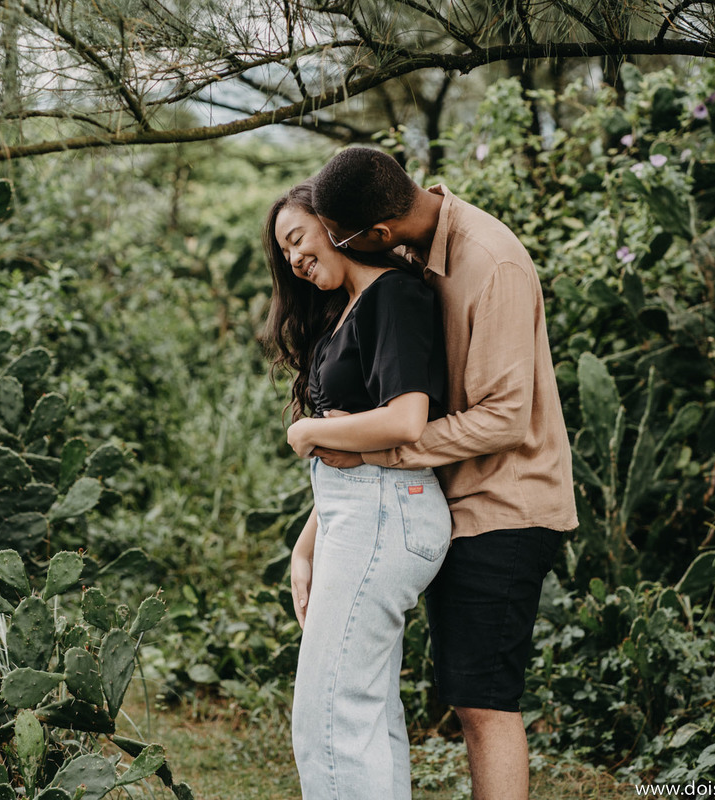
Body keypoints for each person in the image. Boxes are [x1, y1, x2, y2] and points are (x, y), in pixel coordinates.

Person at [306, 147, 579, 800]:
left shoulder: (493, 262)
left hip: (508, 504)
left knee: (486, 703)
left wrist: (381, 452)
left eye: (342, 243)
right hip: (450, 500)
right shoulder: (413, 253)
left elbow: (505, 420)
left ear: (377, 233)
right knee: (464, 698)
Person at [263, 182, 452, 799]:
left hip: (386, 512)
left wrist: (306, 428)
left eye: (297, 239)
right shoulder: (346, 309)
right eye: (283, 253)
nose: (292, 260)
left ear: (331, 222)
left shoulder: (392, 295)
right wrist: (305, 543)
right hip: (360, 512)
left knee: (330, 716)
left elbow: (406, 421)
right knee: (364, 711)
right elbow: (345, 456)